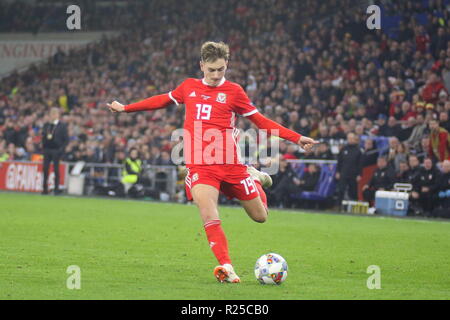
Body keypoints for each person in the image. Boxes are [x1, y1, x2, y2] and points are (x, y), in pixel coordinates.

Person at [107, 41, 318, 283]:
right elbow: (161, 100)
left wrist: (297, 138)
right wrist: (126, 108)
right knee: (209, 214)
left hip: (231, 165)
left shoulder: (235, 92)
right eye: (211, 70)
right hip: (200, 166)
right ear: (201, 66)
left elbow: (261, 122)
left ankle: (254, 176)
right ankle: (227, 267)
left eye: (221, 69)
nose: (216, 75)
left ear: (226, 65)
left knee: (261, 216)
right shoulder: (188, 86)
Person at [41, 107, 68, 195]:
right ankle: (45, 188)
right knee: (45, 169)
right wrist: (44, 146)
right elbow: (43, 136)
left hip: (56, 150)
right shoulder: (46, 125)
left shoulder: (62, 126)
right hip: (47, 150)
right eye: (51, 114)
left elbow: (66, 139)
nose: (53, 116)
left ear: (58, 115)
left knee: (56, 170)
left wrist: (61, 150)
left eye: (54, 113)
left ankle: (56, 189)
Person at [336, 132, 362, 207]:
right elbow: (339, 161)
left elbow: (360, 164)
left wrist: (359, 174)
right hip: (343, 173)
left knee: (353, 191)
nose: (350, 140)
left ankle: (354, 206)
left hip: (353, 174)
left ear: (354, 139)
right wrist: (338, 171)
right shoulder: (344, 149)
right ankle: (338, 206)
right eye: (348, 138)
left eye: (351, 138)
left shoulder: (358, 150)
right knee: (341, 190)